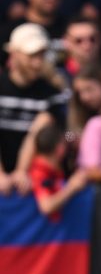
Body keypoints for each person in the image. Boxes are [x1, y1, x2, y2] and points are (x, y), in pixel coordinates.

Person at [0, 23, 66, 196]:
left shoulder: (53, 94)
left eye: (41, 55)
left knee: (45, 120)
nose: (37, 63)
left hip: (34, 180)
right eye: (31, 56)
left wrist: (23, 172)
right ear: (13, 54)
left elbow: (67, 135)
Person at [28, 122, 88, 221]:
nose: (68, 146)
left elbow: (68, 136)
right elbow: (46, 207)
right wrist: (71, 187)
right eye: (64, 144)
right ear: (60, 149)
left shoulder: (55, 166)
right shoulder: (39, 172)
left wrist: (74, 137)